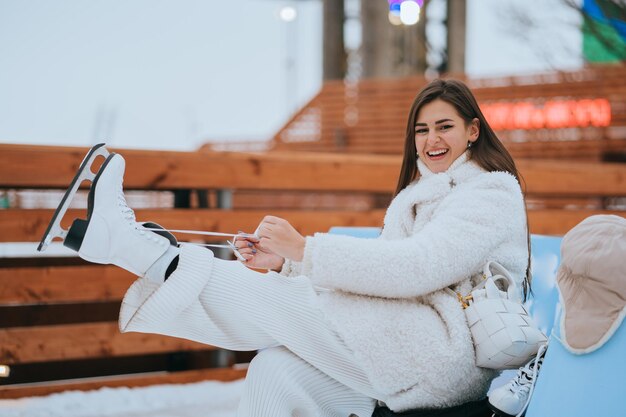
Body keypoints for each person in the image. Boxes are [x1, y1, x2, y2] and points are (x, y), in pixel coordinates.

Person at [50, 79, 530, 416]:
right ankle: (122, 243)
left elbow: (416, 269)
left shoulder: (490, 193)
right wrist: (288, 264)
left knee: (287, 304)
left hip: (441, 355)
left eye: (444, 127)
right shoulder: (418, 195)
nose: (430, 140)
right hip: (399, 343)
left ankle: (129, 246)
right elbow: (386, 277)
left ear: (473, 130)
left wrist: (306, 251)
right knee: (275, 373)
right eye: (421, 130)